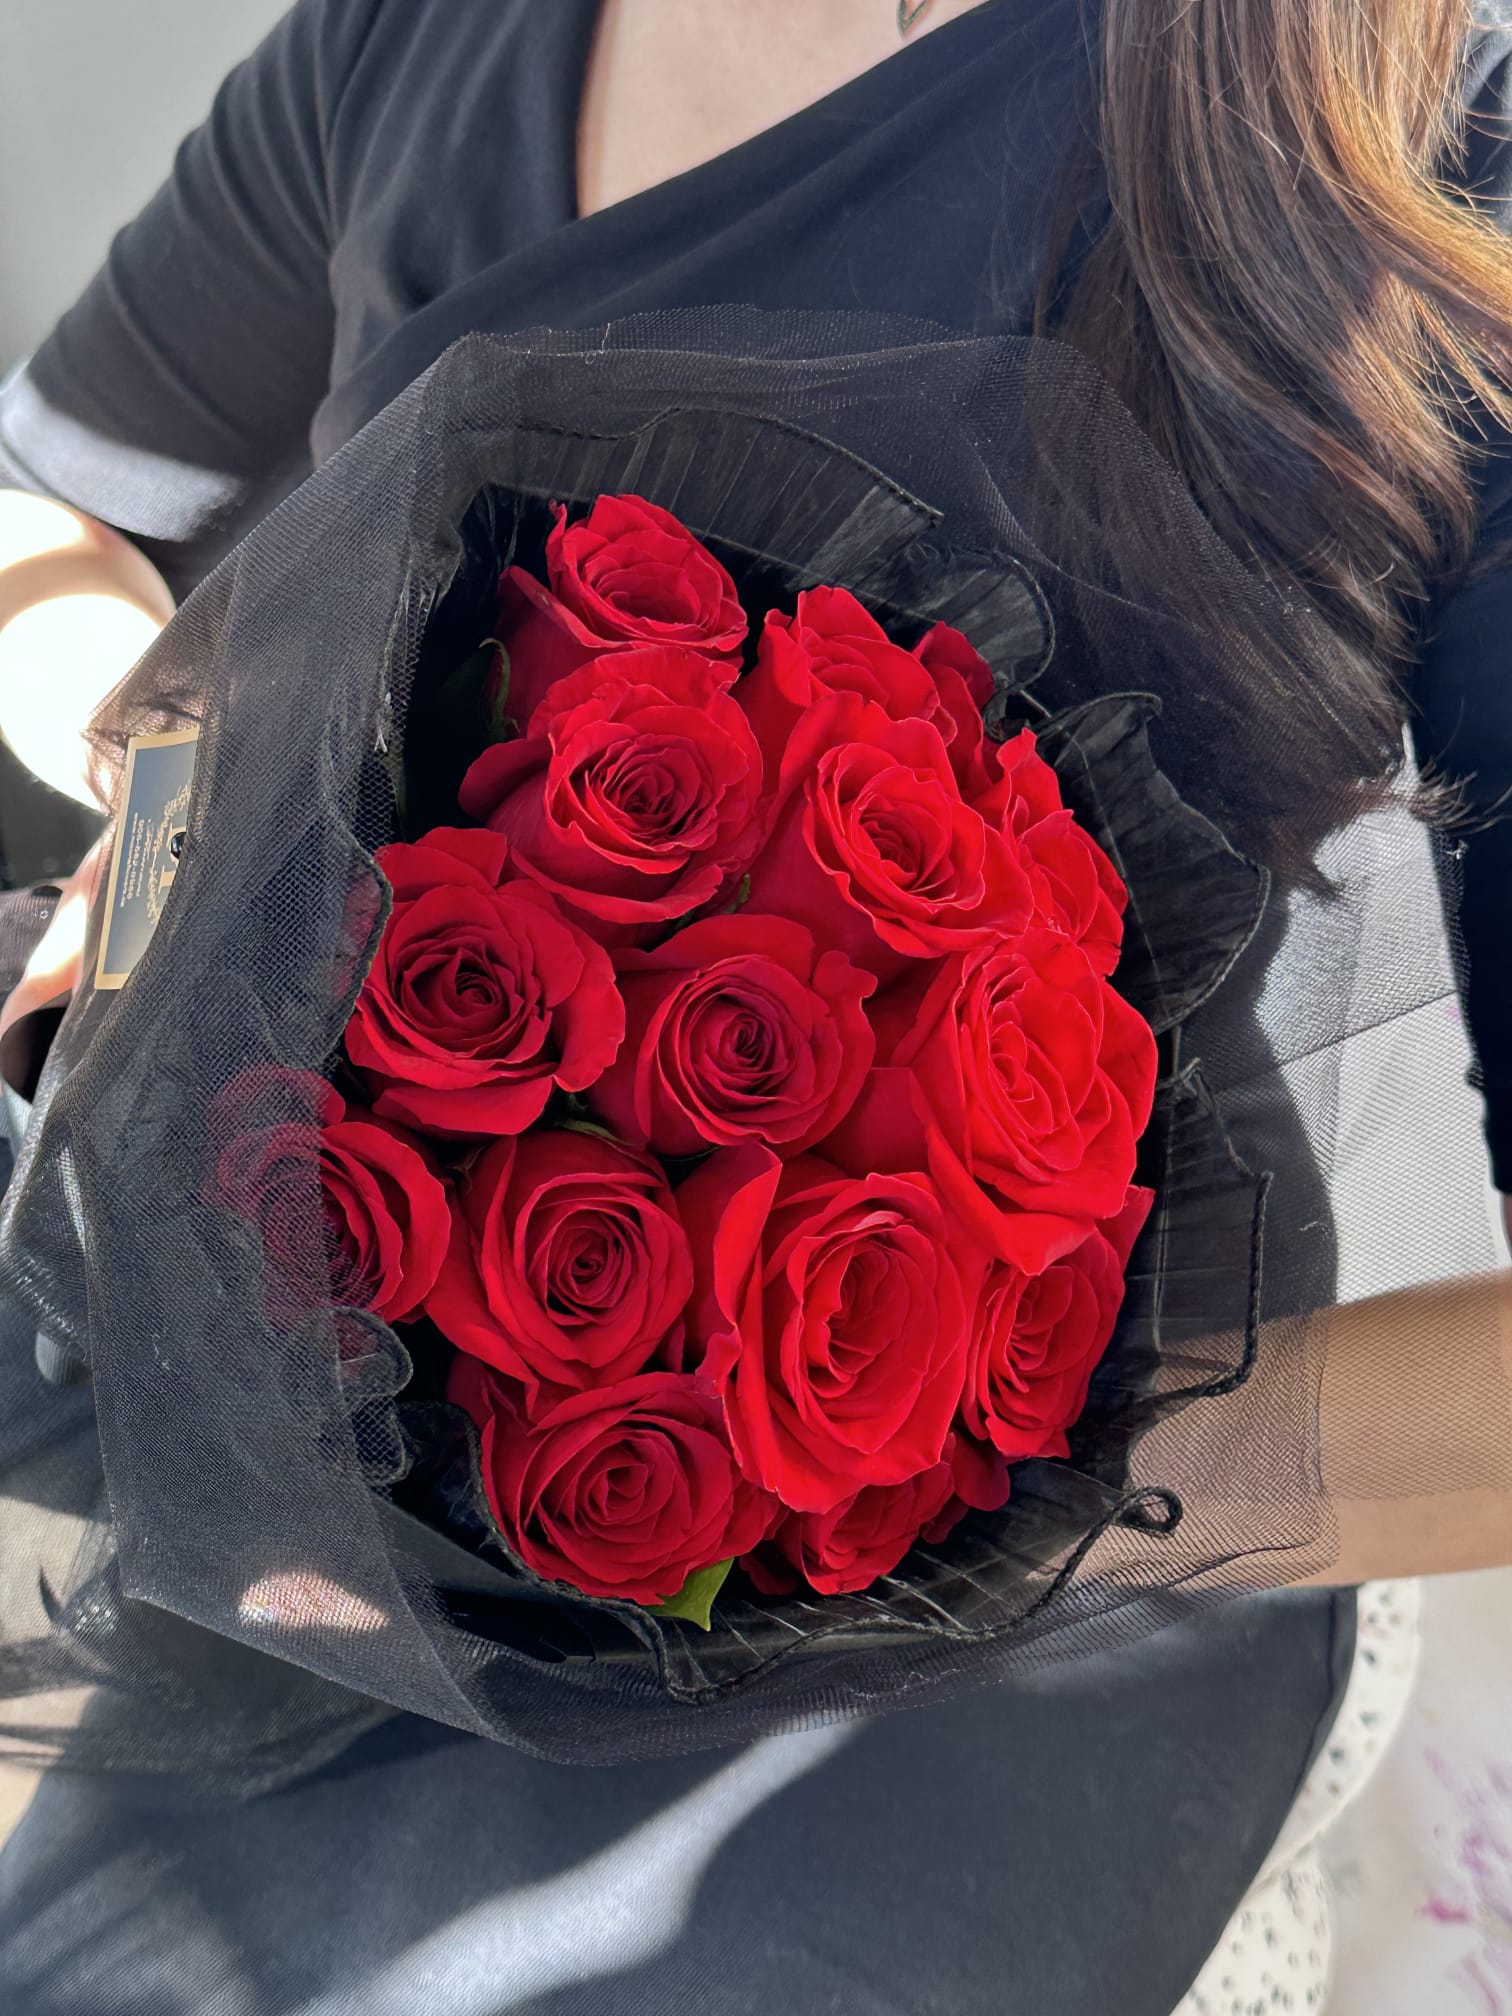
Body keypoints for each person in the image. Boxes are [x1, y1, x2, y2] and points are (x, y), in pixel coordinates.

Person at [0, 4, 1508, 2012]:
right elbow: (46, 504)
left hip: (1048, 1479)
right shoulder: (420, 35)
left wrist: (988, 1486)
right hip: (319, 1355)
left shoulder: (1426, 145)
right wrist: (175, 810)